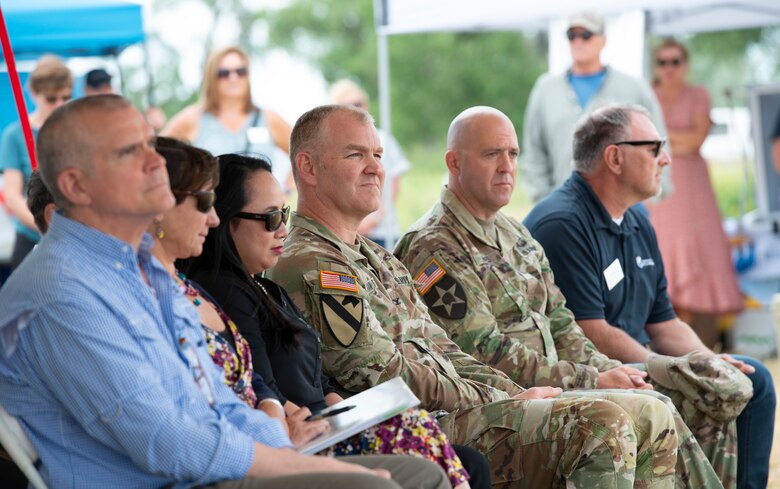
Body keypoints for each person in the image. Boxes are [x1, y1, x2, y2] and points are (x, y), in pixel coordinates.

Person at [0, 95, 451, 489]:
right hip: (176, 481)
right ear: (77, 186)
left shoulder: (135, 269)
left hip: (211, 468)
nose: (156, 162)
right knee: (386, 484)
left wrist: (280, 442)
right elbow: (169, 443)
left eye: (148, 143)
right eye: (129, 152)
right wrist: (290, 462)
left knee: (420, 475)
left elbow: (212, 400)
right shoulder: (63, 291)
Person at [268, 104, 687, 488]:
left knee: (647, 410)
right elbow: (383, 375)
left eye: (378, 156)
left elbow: (446, 348)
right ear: (308, 166)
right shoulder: (314, 265)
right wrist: (504, 397)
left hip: (456, 411)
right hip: (408, 426)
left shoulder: (375, 255)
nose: (376, 169)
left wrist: (511, 392)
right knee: (605, 422)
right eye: (356, 155)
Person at [395, 106, 735, 487]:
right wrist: (592, 377)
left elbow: (561, 323)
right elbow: (483, 350)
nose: (507, 166)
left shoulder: (515, 234)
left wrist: (606, 370)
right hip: (505, 401)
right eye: (492, 154)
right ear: (454, 162)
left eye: (513, 154)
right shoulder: (435, 246)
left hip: (558, 385)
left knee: (692, 396)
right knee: (642, 414)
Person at [183, 153, 486, 489]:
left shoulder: (264, 287)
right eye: (270, 219)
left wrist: (348, 413)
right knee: (424, 438)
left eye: (283, 214)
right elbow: (260, 382)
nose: (283, 229)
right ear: (224, 221)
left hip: (323, 426)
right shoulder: (227, 290)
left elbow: (317, 377)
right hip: (296, 439)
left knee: (458, 454)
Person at [524, 104, 776, 489]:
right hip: (600, 374)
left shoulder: (637, 217)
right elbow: (591, 331)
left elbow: (664, 321)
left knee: (750, 377)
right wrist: (672, 369)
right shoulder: (563, 223)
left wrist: (707, 360)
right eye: (654, 147)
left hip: (641, 362)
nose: (667, 158)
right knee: (718, 388)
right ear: (614, 158)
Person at [647, 39, 744, 342]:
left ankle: (702, 338)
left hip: (694, 188)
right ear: (656, 66)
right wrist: (676, 139)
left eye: (675, 61)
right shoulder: (649, 96)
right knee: (664, 251)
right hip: (660, 183)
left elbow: (696, 140)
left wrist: (662, 135)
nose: (669, 68)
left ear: (685, 64)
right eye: (663, 62)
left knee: (700, 251)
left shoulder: (698, 94)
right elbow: (650, 140)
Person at [521, 11, 665, 202]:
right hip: (562, 205)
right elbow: (534, 151)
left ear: (603, 40)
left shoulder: (633, 88)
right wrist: (543, 198)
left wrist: (647, 202)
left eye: (586, 35)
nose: (578, 42)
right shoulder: (546, 89)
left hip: (622, 207)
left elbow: (658, 145)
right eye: (572, 36)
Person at [162, 45, 293, 188]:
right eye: (224, 73)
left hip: (261, 210)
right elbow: (157, 154)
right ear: (211, 77)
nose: (233, 77)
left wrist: (285, 191)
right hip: (211, 208)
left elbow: (305, 155)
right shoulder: (192, 118)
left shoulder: (268, 118)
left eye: (240, 71)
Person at [0, 54, 72, 268]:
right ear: (34, 94)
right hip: (32, 237)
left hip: (73, 238)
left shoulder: (78, 132)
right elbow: (11, 194)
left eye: (66, 97)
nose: (59, 105)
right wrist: (46, 226)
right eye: (51, 99)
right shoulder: (15, 135)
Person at [330, 79, 410, 248]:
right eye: (347, 106)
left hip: (383, 232)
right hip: (346, 234)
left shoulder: (384, 139)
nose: (355, 109)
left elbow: (394, 186)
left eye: (358, 103)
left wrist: (374, 220)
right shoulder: (333, 144)